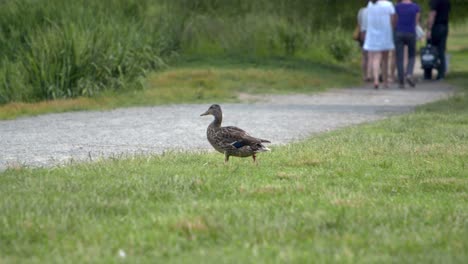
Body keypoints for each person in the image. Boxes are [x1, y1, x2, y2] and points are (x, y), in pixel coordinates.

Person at [364, 0, 396, 89]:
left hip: (373, 34)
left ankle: (376, 80)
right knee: (385, 59)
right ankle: (385, 82)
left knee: (376, 58)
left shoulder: (370, 4)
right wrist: (392, 28)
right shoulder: (388, 5)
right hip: (385, 34)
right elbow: (393, 20)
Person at [394, 0, 420, 88]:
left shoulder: (397, 7)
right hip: (411, 33)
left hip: (399, 33)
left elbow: (395, 20)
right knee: (412, 55)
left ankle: (401, 80)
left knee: (399, 57)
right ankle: (409, 74)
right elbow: (416, 22)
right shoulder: (416, 7)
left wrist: (395, 28)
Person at [426, 0, 450, 80]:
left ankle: (428, 73)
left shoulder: (435, 1)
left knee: (429, 50)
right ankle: (441, 74)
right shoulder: (447, 2)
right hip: (444, 26)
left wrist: (429, 29)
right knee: (441, 51)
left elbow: (433, 14)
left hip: (436, 27)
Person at [357, 1, 371, 82]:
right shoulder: (375, 11)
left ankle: (364, 75)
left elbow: (359, 22)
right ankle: (370, 74)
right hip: (372, 34)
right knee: (372, 56)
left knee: (364, 56)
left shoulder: (361, 11)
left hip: (363, 34)